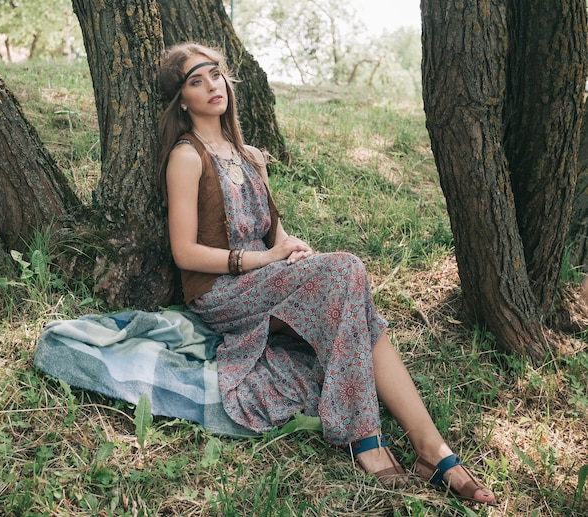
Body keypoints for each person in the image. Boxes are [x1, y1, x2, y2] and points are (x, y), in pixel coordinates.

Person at [157, 42, 497, 506]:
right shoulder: (187, 156)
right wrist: (264, 259)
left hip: (266, 280)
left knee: (346, 289)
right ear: (182, 99)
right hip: (222, 292)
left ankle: (431, 448)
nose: (212, 86)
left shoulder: (251, 155)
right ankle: (367, 438)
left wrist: (295, 253)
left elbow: (275, 232)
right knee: (346, 272)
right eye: (196, 82)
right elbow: (184, 253)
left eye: (215, 75)